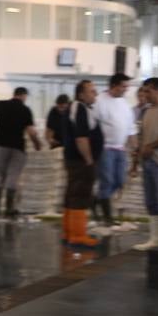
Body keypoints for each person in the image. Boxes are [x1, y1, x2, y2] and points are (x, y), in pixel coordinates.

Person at [0, 87, 43, 218]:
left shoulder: (0, 104)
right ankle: (9, 209)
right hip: (17, 148)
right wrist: (37, 143)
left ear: (14, 94)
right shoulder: (25, 110)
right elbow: (31, 132)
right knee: (12, 177)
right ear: (24, 96)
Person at [62, 80, 104, 249]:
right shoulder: (79, 108)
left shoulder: (74, 108)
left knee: (72, 194)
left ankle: (69, 233)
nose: (95, 94)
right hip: (80, 161)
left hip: (74, 159)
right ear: (81, 94)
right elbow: (81, 138)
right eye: (92, 91)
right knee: (80, 195)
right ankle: (78, 236)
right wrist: (89, 160)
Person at [94, 73, 135, 226]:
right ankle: (107, 217)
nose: (126, 90)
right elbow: (93, 125)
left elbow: (131, 128)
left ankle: (97, 200)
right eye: (124, 87)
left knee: (119, 181)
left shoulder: (124, 103)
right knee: (107, 181)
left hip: (120, 148)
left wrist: (134, 147)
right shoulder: (99, 101)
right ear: (113, 85)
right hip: (105, 148)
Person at [134, 81, 158, 250]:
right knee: (151, 201)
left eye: (148, 91)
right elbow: (142, 138)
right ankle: (155, 238)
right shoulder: (146, 111)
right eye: (143, 91)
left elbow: (149, 143)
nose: (145, 95)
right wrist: (135, 162)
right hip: (147, 162)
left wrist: (151, 146)